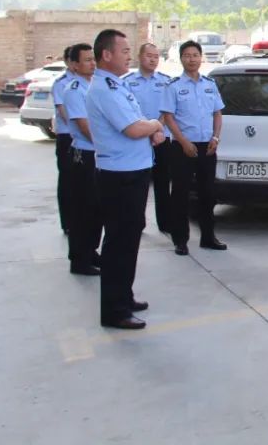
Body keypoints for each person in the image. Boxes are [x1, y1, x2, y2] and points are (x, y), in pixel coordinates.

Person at [86, 28, 166, 330]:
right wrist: (157, 123)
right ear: (106, 55)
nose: (128, 56)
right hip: (119, 176)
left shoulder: (116, 85)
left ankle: (124, 295)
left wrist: (150, 128)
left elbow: (137, 123)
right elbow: (133, 129)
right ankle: (115, 310)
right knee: (119, 242)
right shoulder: (104, 89)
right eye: (123, 51)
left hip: (133, 171)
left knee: (130, 238)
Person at [160, 40, 227, 255]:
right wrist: (183, 142)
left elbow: (217, 113)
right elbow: (168, 117)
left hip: (207, 146)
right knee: (180, 194)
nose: (192, 59)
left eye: (195, 55)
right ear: (181, 59)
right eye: (187, 55)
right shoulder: (173, 86)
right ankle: (180, 240)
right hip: (182, 147)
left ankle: (208, 237)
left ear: (201, 57)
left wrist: (216, 138)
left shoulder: (210, 84)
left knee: (208, 193)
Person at [62, 43, 103, 276]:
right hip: (85, 154)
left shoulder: (95, 86)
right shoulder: (74, 89)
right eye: (86, 60)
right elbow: (85, 126)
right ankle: (79, 259)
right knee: (83, 209)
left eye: (93, 59)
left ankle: (91, 250)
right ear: (75, 65)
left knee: (97, 208)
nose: (92, 63)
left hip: (98, 154)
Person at [124, 43, 172, 234]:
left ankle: (165, 222)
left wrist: (157, 128)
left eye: (156, 56)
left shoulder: (166, 81)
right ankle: (137, 221)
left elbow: (168, 109)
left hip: (161, 137)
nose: (153, 60)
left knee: (162, 182)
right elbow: (128, 111)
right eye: (149, 56)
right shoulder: (127, 81)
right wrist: (147, 130)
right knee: (138, 183)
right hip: (138, 138)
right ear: (140, 57)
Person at [52, 46, 75, 234]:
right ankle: (67, 222)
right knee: (68, 181)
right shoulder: (61, 83)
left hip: (87, 139)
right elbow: (65, 113)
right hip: (68, 136)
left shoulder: (90, 82)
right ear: (69, 62)